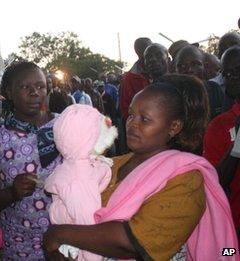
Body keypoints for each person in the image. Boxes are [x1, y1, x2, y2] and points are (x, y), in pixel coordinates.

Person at [43, 74, 238, 260]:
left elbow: (132, 242)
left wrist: (59, 234)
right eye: (130, 116)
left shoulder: (187, 179)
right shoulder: (113, 163)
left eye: (144, 119)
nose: (132, 125)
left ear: (174, 126)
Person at [0, 61, 62, 260]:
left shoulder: (64, 126)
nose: (34, 93)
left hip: (68, 244)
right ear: (9, 92)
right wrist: (11, 193)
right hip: (22, 248)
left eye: (40, 86)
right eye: (24, 87)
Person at [44, 104, 117, 261]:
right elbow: (89, 231)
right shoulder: (79, 181)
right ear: (89, 140)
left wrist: (101, 164)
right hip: (84, 249)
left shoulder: (77, 162)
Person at [203, 46, 240, 234]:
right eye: (226, 72)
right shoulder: (219, 125)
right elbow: (215, 181)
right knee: (227, 254)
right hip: (236, 228)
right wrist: (237, 146)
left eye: (237, 70)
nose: (231, 76)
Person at [175, 45, 224, 119]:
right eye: (182, 65)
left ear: (205, 66)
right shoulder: (172, 95)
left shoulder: (215, 89)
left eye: (195, 64)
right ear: (175, 69)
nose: (189, 69)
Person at [119, 37, 152, 121]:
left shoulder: (161, 70)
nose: (152, 50)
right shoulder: (129, 78)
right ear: (139, 52)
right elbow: (126, 109)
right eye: (149, 48)